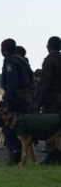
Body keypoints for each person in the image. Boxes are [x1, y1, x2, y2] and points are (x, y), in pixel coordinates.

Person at [0, 38, 32, 165]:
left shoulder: (10, 62)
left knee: (10, 127)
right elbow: (30, 77)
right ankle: (21, 156)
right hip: (25, 97)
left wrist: (7, 99)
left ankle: (14, 155)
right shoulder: (22, 60)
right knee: (21, 127)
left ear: (4, 49)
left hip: (16, 99)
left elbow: (12, 83)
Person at [32, 36, 61, 164]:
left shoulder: (50, 61)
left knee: (50, 128)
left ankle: (53, 155)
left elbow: (44, 84)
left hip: (52, 101)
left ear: (48, 47)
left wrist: (36, 104)